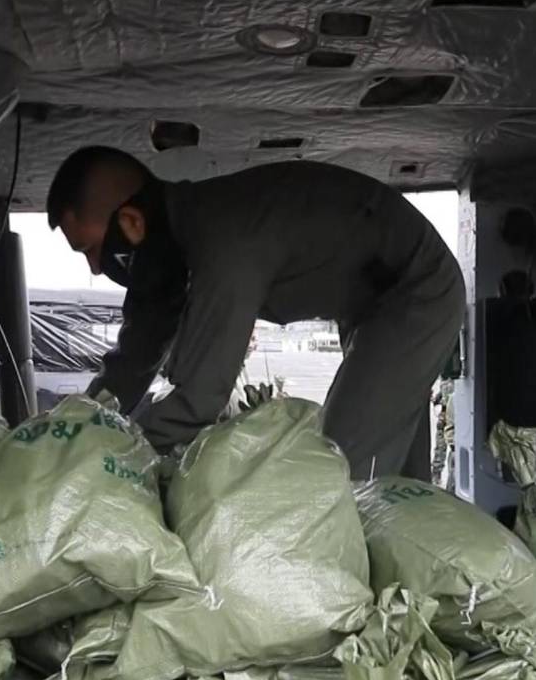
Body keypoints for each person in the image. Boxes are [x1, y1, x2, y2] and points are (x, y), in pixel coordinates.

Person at [45, 146, 465, 480]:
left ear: (132, 222)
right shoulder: (169, 255)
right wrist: (71, 436)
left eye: (91, 250)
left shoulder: (222, 241)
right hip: (373, 304)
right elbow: (130, 364)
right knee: (394, 485)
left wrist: (114, 461)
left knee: (339, 471)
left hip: (414, 288)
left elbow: (200, 398)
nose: (96, 268)